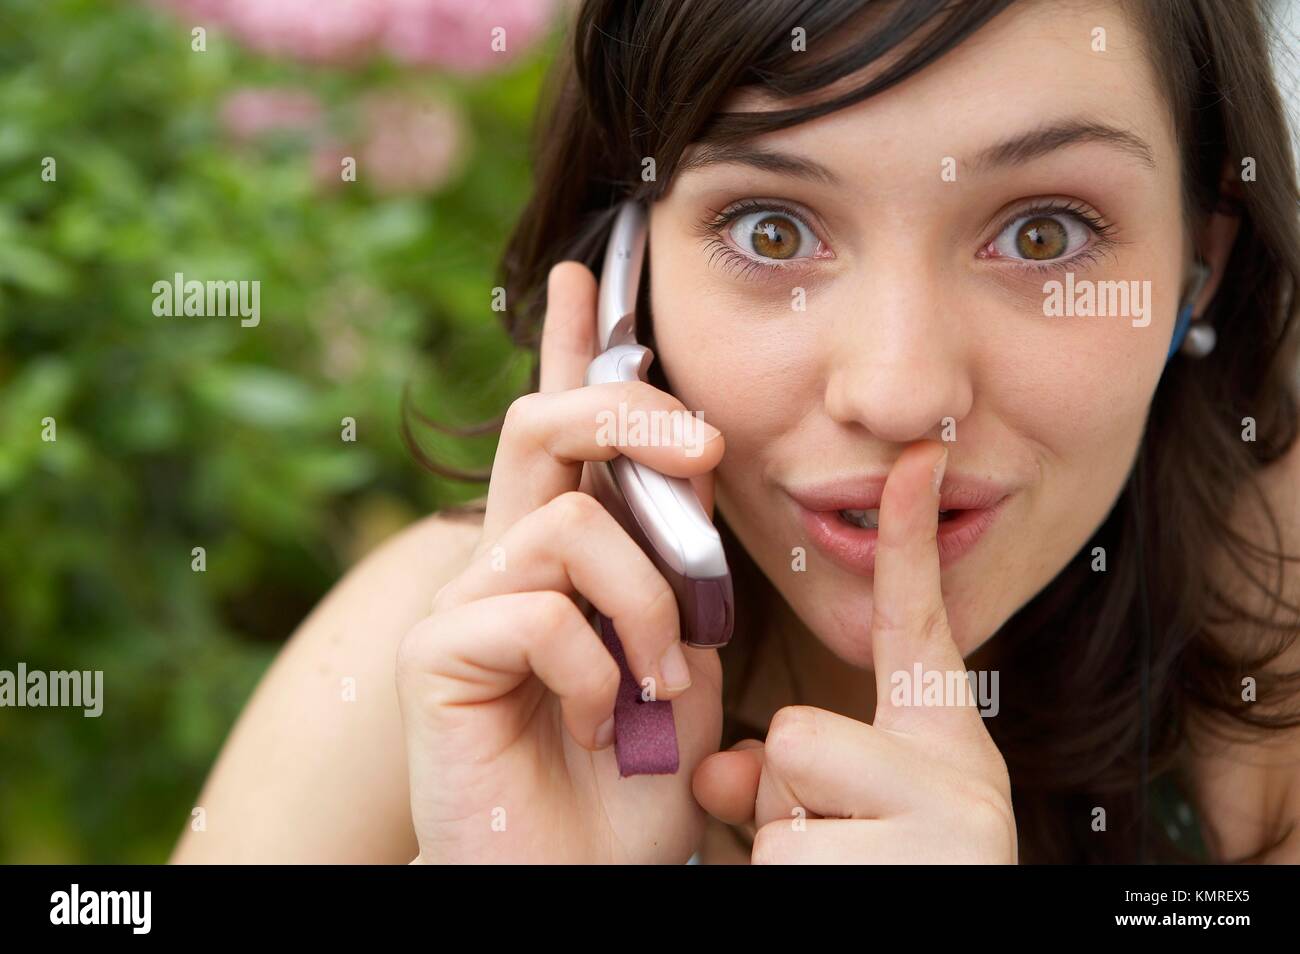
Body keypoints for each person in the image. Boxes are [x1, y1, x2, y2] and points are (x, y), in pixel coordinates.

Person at [171, 0, 1300, 864]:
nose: (900, 392)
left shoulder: (1272, 631)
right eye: (771, 230)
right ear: (630, 277)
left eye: (1045, 235)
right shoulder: (436, 661)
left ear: (1195, 273)